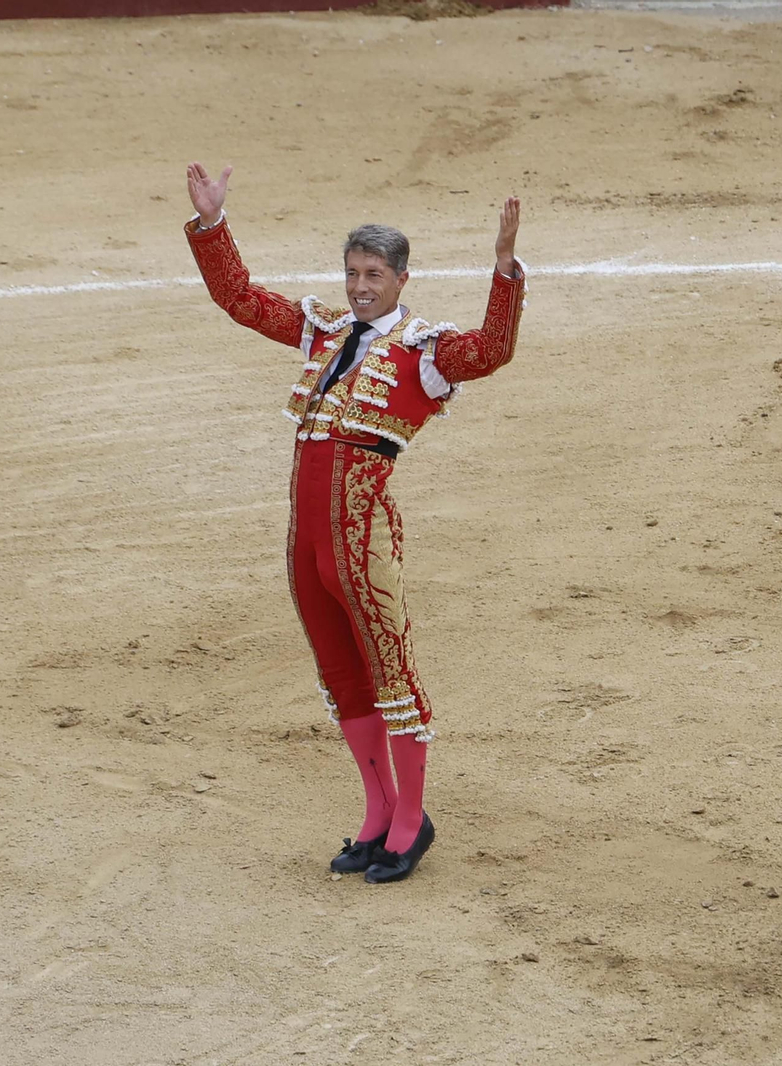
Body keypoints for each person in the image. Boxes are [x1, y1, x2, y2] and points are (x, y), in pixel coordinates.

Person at [184, 162, 526, 883]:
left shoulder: (425, 355)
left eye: (374, 274)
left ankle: (411, 822)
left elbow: (492, 351)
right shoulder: (322, 332)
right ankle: (377, 814)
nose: (360, 286)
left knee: (389, 669)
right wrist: (214, 225)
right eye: (352, 273)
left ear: (402, 279)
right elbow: (241, 299)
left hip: (363, 538)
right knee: (342, 675)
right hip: (305, 539)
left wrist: (504, 271)